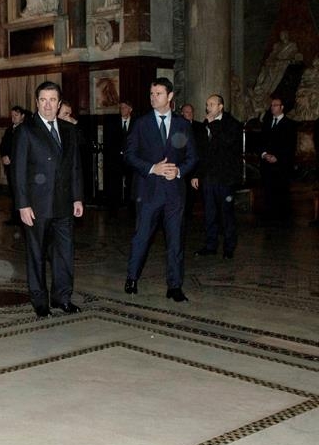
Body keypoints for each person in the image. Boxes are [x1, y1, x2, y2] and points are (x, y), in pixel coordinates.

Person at [12, 82, 84, 317]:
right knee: (37, 254)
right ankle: (40, 301)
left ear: (59, 103)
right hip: (37, 205)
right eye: (43, 100)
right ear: (36, 102)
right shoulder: (26, 130)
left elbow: (74, 166)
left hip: (64, 204)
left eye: (53, 100)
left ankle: (62, 297)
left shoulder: (68, 129)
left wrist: (77, 198)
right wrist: (23, 204)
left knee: (64, 253)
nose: (48, 105)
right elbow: (19, 171)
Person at [124, 77, 197, 302]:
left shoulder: (182, 124)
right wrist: (152, 168)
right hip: (148, 192)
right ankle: (132, 277)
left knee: (175, 240)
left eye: (158, 94)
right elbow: (129, 155)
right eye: (151, 94)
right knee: (142, 237)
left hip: (175, 193)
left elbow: (193, 157)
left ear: (170, 96)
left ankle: (174, 286)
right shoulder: (141, 123)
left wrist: (179, 171)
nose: (153, 98)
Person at [191, 94, 243, 259]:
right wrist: (196, 174)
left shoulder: (232, 124)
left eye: (211, 104)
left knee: (226, 214)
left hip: (225, 177)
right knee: (210, 213)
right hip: (208, 177)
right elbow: (201, 152)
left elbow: (227, 143)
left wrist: (213, 124)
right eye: (207, 104)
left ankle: (229, 247)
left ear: (220, 106)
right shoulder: (205, 125)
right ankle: (210, 245)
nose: (208, 108)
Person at [259, 95, 298, 225]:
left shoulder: (289, 124)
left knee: (281, 191)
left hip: (281, 165)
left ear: (282, 107)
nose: (272, 107)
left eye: (275, 105)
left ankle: (282, 217)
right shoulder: (266, 123)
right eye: (272, 105)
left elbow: (290, 145)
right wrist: (264, 154)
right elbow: (262, 141)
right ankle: (268, 215)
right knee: (268, 190)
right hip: (267, 164)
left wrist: (278, 157)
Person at [104, 101, 134, 214]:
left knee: (131, 184)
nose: (122, 110)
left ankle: (131, 208)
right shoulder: (113, 122)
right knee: (114, 184)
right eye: (121, 108)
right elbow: (109, 141)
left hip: (131, 159)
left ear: (130, 109)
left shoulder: (136, 123)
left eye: (125, 108)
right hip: (116, 160)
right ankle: (113, 209)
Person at [0, 106, 27, 225]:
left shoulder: (25, 130)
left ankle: (21, 217)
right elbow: (3, 144)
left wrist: (12, 157)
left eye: (16, 115)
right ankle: (14, 217)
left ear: (22, 116)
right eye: (12, 115)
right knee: (13, 192)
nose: (13, 118)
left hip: (20, 167)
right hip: (10, 166)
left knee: (20, 191)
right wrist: (4, 155)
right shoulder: (9, 129)